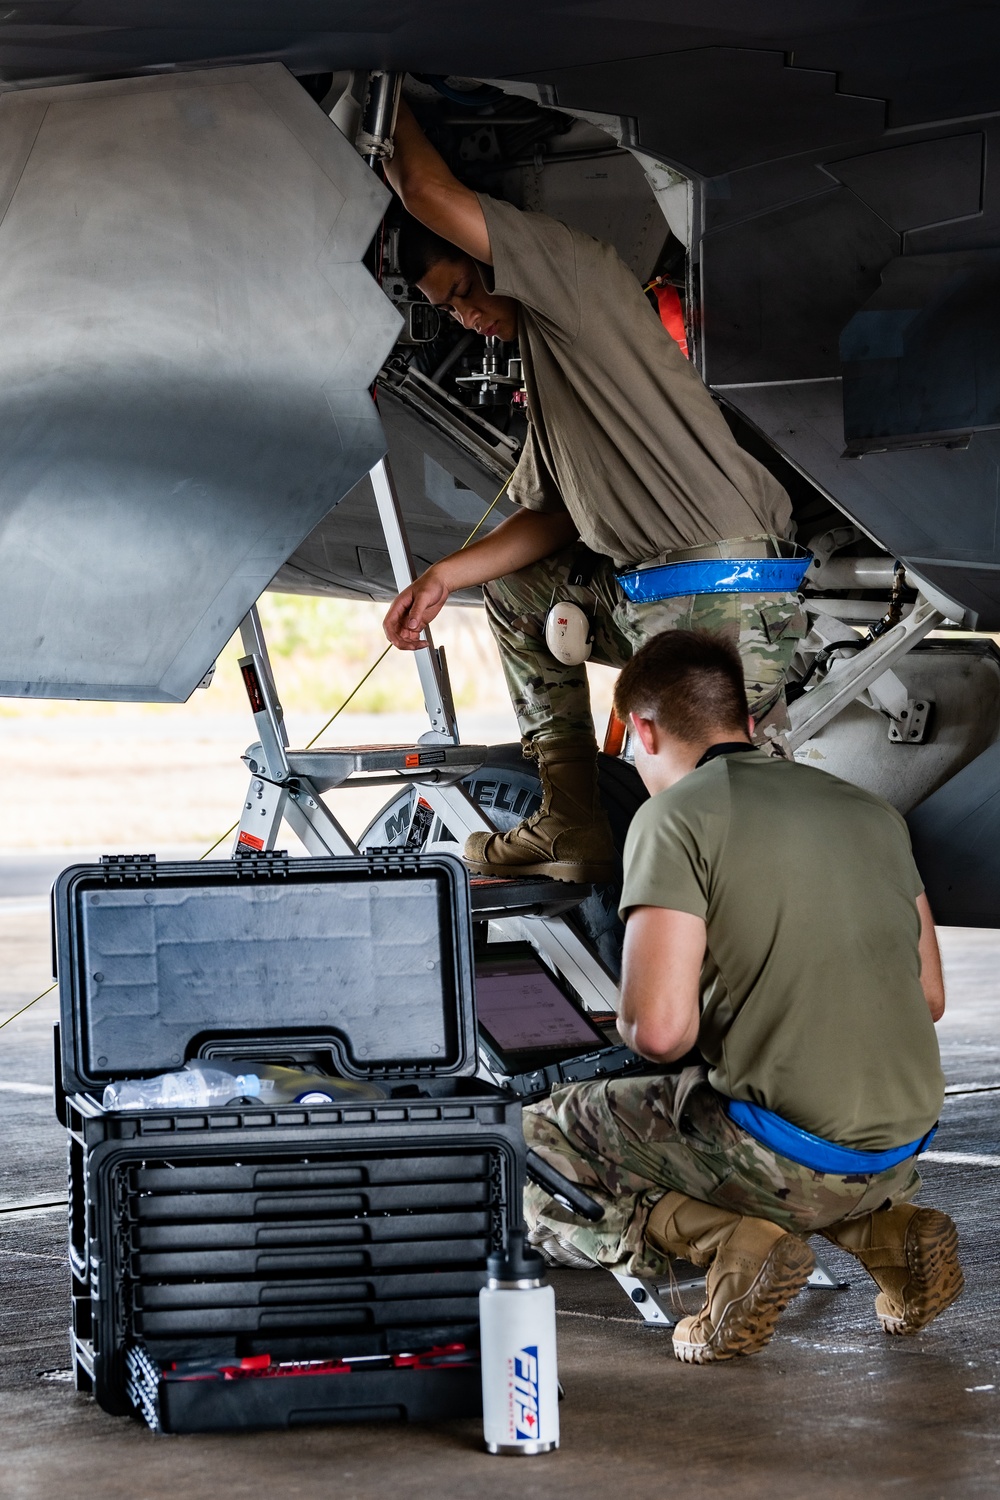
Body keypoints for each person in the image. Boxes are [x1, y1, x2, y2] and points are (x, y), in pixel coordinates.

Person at [381, 98, 806, 883]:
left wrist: (387, 102)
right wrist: (441, 578)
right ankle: (569, 821)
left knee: (702, 844)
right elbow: (548, 519)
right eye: (449, 311)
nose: (467, 315)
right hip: (682, 597)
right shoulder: (557, 371)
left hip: (708, 598)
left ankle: (714, 961)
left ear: (499, 249)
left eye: (467, 288)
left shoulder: (570, 279)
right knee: (514, 592)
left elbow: (428, 197)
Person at [523, 629, 962, 1364]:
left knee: (535, 1140)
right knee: (749, 1098)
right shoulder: (870, 811)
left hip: (786, 1154)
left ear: (644, 729)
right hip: (899, 1145)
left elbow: (659, 1033)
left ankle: (734, 1243)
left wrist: (639, 1011)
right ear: (749, 725)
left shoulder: (674, 818)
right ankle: (891, 1236)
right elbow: (931, 995)